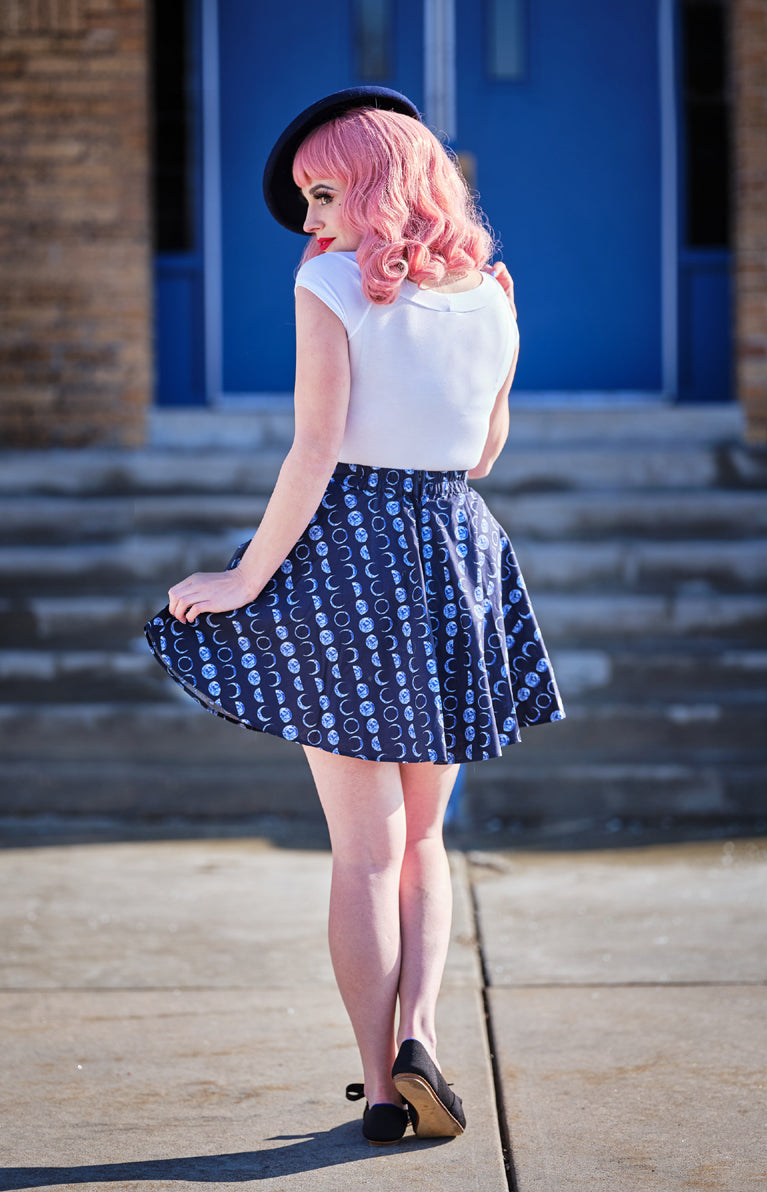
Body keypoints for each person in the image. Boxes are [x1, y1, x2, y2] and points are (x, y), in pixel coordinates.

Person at [145, 86, 564, 1147]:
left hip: (347, 557)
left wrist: (242, 581)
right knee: (424, 839)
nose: (309, 219)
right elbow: (479, 455)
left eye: (322, 190)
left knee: (364, 854)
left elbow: (314, 451)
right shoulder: (496, 293)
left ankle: (381, 1089)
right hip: (454, 547)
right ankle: (422, 1034)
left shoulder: (331, 281)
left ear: (373, 180)